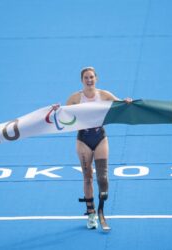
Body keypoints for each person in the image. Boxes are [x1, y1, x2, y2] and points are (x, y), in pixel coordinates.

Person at [66, 67, 132, 230]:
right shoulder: (75, 98)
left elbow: (120, 104)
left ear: (96, 78)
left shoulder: (103, 95)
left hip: (100, 137)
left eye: (91, 77)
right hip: (83, 140)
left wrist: (128, 102)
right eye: (86, 78)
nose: (89, 80)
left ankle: (101, 208)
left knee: (102, 178)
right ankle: (91, 214)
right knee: (87, 178)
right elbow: (63, 115)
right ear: (82, 80)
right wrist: (54, 110)